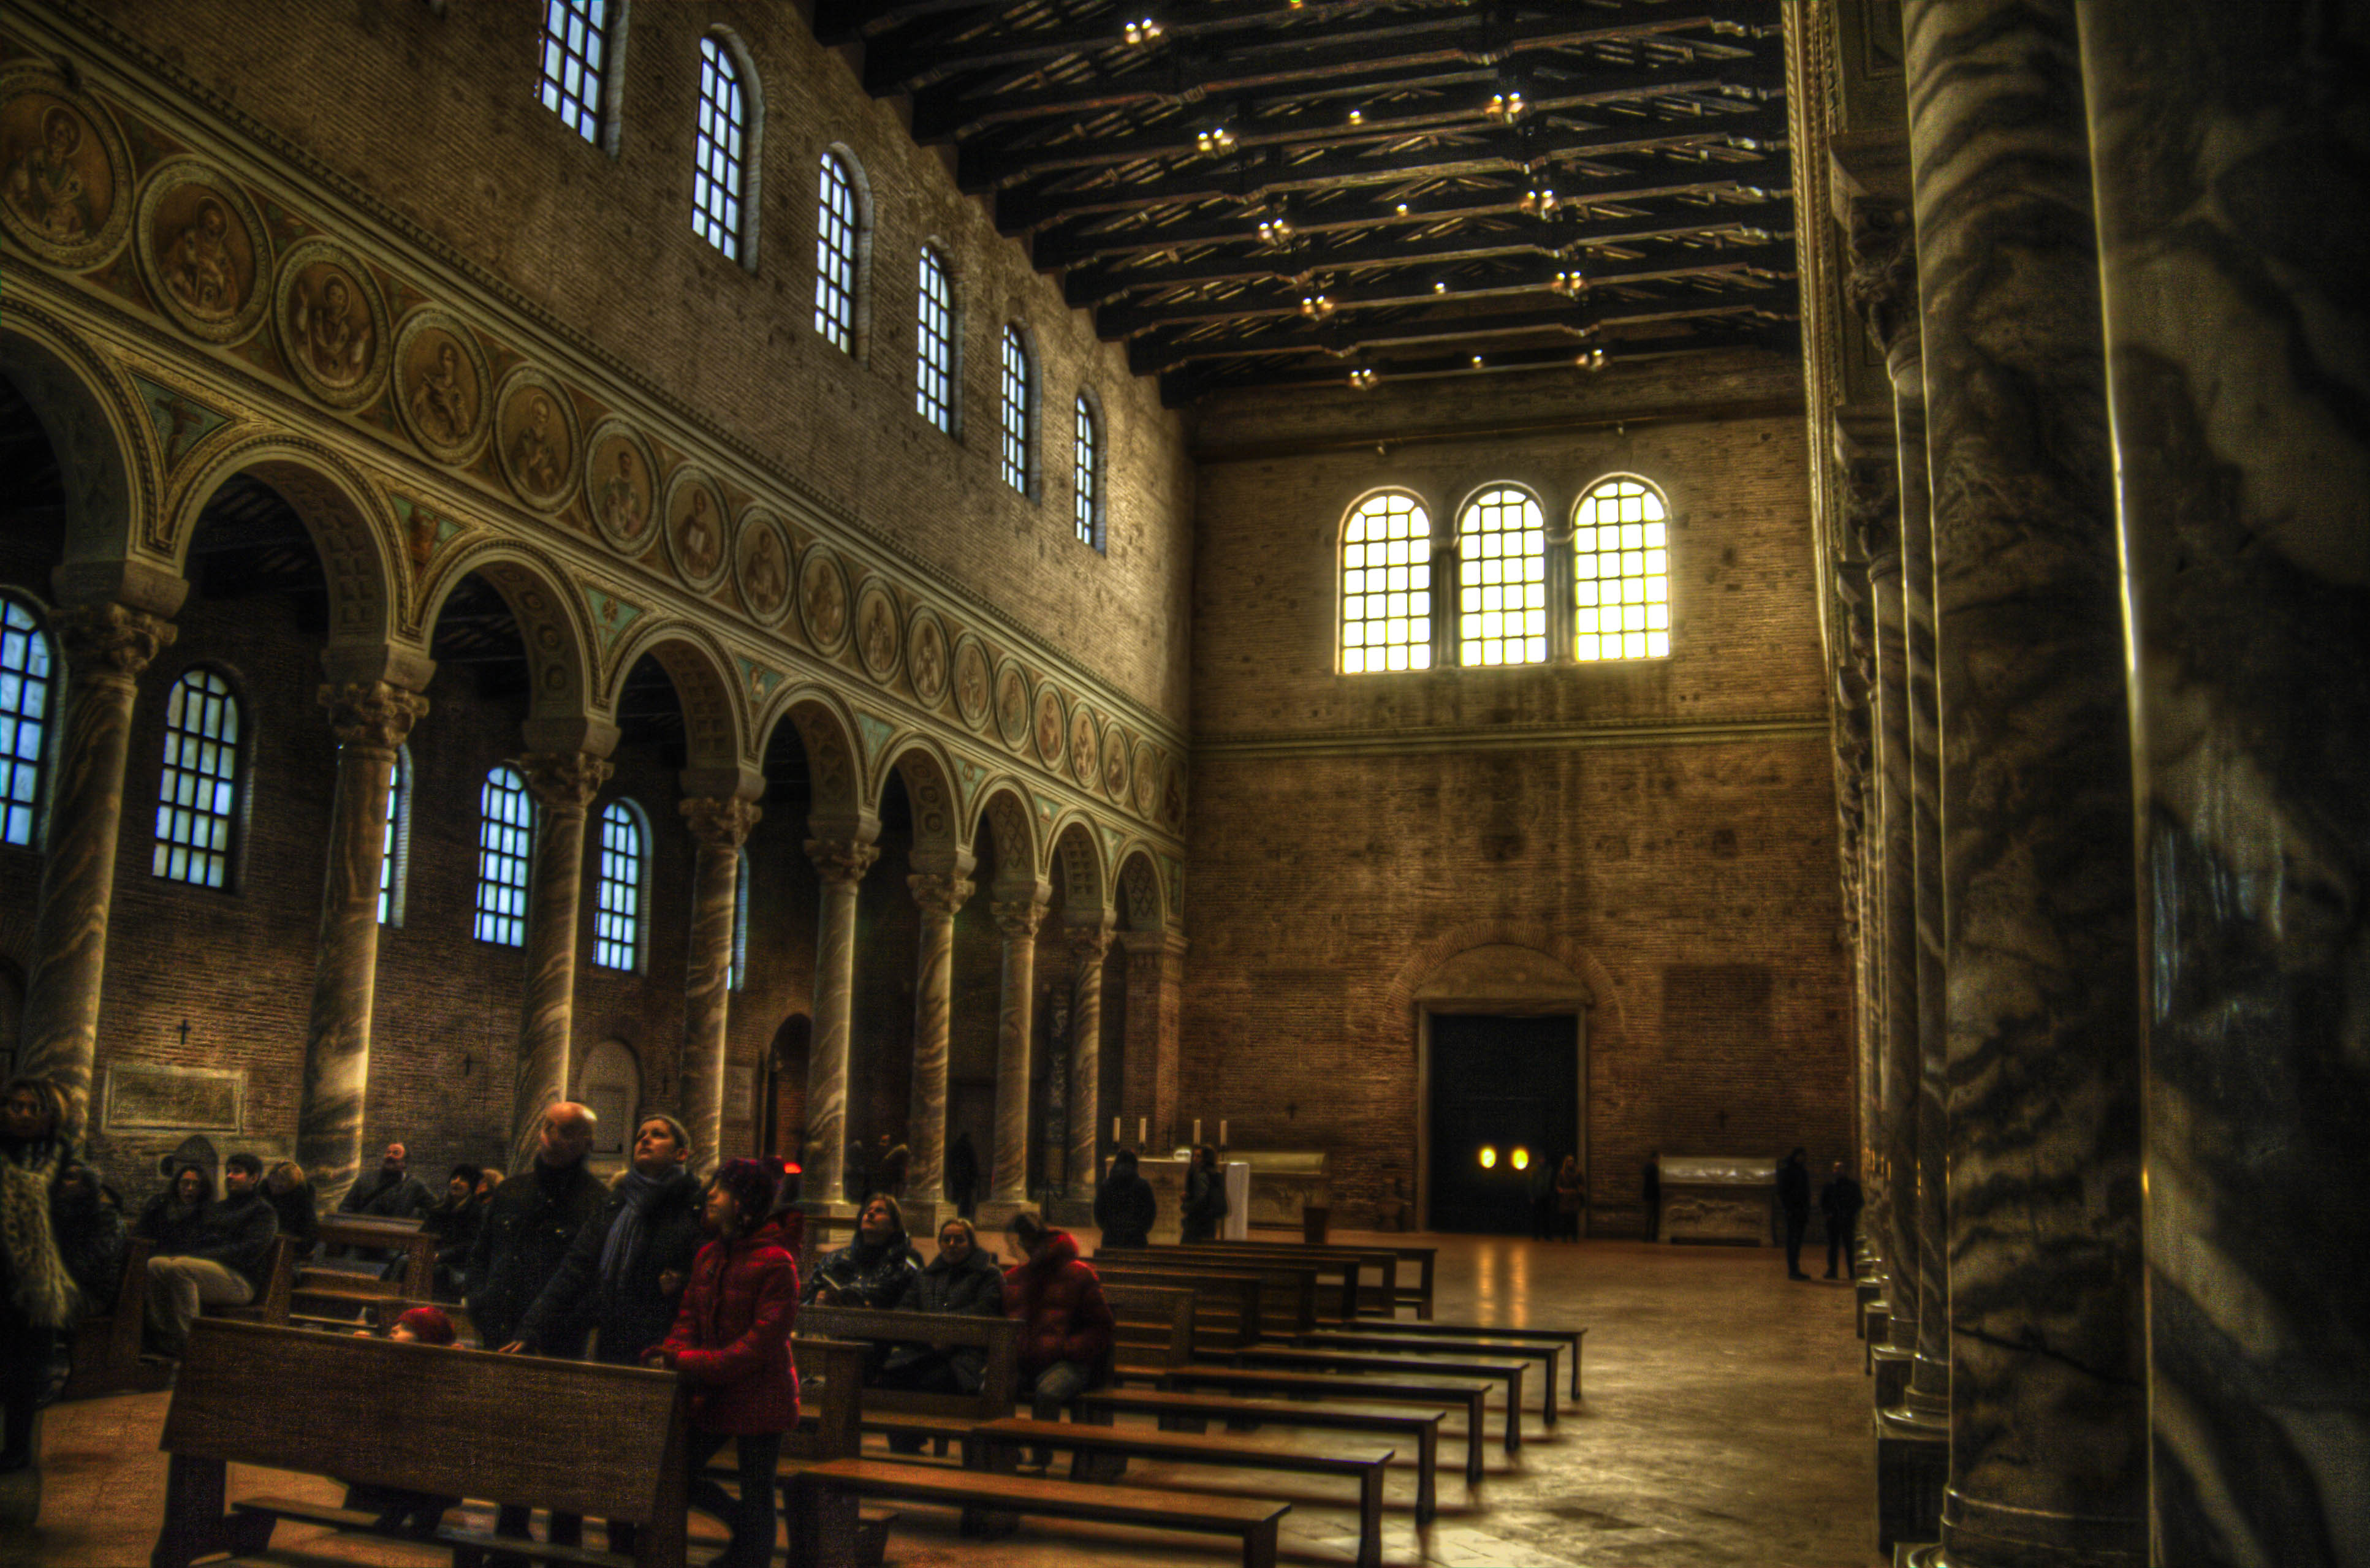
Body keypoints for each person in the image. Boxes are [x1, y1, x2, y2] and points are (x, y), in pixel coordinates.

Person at [466, 1102, 605, 1556]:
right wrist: (480, 1301)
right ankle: (511, 1533)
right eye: (548, 1126)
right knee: (511, 1438)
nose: (552, 1137)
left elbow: (592, 1278)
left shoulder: (597, 1200)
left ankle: (565, 1538)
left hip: (560, 1341)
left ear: (586, 1142)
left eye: (567, 1131)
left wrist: (556, 1328)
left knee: (561, 1440)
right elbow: (483, 1253)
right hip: (503, 1330)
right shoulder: (513, 1191)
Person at [648, 1159, 799, 1568]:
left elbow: (759, 1343)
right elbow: (689, 1317)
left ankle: (750, 1558)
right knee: (679, 1471)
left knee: (757, 1486)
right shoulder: (709, 1254)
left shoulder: (775, 1261)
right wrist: (672, 1350)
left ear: (745, 1201)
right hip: (713, 1387)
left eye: (721, 1188)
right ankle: (742, 1526)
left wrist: (690, 1360)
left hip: (759, 1391)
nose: (710, 1194)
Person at [511, 1115, 705, 1366]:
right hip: (610, 1337)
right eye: (640, 1136)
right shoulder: (616, 1204)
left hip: (661, 1344)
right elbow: (575, 1268)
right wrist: (533, 1327)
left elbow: (704, 1276)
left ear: (681, 1155)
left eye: (658, 1135)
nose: (645, 1139)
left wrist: (680, 1281)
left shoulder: (693, 1206)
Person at [1, 1078, 75, 1477]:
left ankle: (16, 1449)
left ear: (48, 1113)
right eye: (16, 1105)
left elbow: (73, 1218)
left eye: (34, 1107)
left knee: (23, 1372)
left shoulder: (62, 1156)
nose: (25, 1114)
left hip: (36, 1281)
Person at [1000, 1210, 1114, 1469]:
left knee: (1048, 1391)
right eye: (1022, 1243)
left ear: (1044, 1241)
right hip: (1027, 1357)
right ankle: (1006, 1452)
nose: (1027, 1249)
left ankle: (1041, 1457)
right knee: (991, 1381)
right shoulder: (1016, 1278)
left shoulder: (1079, 1275)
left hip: (1068, 1361)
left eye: (1032, 1242)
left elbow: (1101, 1326)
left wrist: (1066, 1348)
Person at [341, 1306, 461, 1535]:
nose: (394, 1328)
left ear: (427, 1339)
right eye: (397, 1324)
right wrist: (360, 1354)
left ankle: (407, 1511)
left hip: (422, 1469)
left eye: (406, 1328)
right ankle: (403, 1511)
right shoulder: (386, 1362)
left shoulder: (441, 1377)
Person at [144, 1151, 279, 1354]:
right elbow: (197, 1239)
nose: (230, 1176)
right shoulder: (218, 1208)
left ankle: (189, 1345)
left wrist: (199, 1256)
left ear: (254, 1178)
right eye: (229, 1171)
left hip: (241, 1281)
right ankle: (163, 1337)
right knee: (156, 1264)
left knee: (181, 1268)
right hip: (209, 1271)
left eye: (237, 1172)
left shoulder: (263, 1211)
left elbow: (249, 1250)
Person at [878, 1218, 1005, 1401]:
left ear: (971, 1244)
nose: (951, 1245)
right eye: (946, 1240)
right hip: (923, 1349)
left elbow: (984, 1311)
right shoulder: (926, 1275)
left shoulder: (987, 1275)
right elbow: (905, 1310)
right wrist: (930, 1335)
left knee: (933, 1383)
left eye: (959, 1240)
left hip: (964, 1355)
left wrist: (947, 1333)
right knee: (890, 1379)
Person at [803, 1194, 918, 1309]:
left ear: (894, 1226)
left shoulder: (901, 1268)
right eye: (868, 1210)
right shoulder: (834, 1260)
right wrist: (817, 1299)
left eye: (880, 1211)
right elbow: (807, 1301)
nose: (870, 1214)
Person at [51, 1161, 128, 1310]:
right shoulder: (62, 1213)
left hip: (90, 1295)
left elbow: (89, 1266)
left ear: (87, 1187)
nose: (60, 1182)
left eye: (69, 1177)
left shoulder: (107, 1218)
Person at [420, 1164, 484, 1298]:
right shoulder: (439, 1209)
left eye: (463, 1180)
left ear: (472, 1186)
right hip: (432, 1257)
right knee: (404, 1261)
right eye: (454, 1178)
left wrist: (441, 1255)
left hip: (458, 1264)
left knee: (437, 1272)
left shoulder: (476, 1212)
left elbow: (472, 1244)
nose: (456, 1182)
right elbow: (424, 1234)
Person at [135, 1163, 213, 1258]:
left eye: (196, 1184)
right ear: (177, 1184)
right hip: (158, 1257)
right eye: (185, 1183)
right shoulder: (159, 1204)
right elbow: (141, 1233)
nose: (190, 1188)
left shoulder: (208, 1211)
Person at [341, 1143, 433, 1221]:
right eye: (388, 1152)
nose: (390, 1156)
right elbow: (345, 1208)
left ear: (404, 1162)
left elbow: (435, 1209)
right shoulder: (365, 1179)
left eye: (396, 1153)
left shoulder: (414, 1186)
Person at [1093, 1148, 1157, 1248]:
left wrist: (1108, 1229)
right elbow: (1150, 1212)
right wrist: (1141, 1230)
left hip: (1111, 1238)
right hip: (1136, 1239)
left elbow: (1098, 1212)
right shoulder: (1143, 1186)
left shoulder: (1106, 1185)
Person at [262, 1161, 319, 1259]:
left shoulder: (302, 1199)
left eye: (280, 1186)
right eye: (272, 1184)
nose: (274, 1189)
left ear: (292, 1183)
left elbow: (310, 1232)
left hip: (290, 1247)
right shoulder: (264, 1193)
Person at [1818, 1161, 1864, 1280]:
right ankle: (1832, 1271)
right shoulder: (1830, 1186)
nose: (1838, 1171)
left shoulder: (1852, 1186)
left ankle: (1851, 1272)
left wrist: (1850, 1212)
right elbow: (1823, 1202)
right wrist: (1828, 1213)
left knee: (1849, 1247)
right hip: (1833, 1220)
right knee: (1833, 1247)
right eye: (1836, 1169)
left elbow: (1859, 1202)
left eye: (1840, 1169)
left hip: (1847, 1220)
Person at [1777, 1148, 1812, 1281]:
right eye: (1800, 1156)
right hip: (1793, 1211)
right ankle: (1793, 1270)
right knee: (1793, 1241)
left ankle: (1795, 1269)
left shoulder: (1802, 1172)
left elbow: (1806, 1192)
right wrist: (1789, 1208)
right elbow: (1783, 1192)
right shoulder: (1788, 1171)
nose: (1802, 1159)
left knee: (1797, 1242)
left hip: (1801, 1212)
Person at [1182, 1145, 1228, 1243]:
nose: (1194, 1159)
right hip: (1210, 1223)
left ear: (1206, 1159)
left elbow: (1200, 1199)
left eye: (1198, 1156)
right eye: (1193, 1156)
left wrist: (1186, 1205)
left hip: (1197, 1223)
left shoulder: (1201, 1175)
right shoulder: (1216, 1174)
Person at [945, 1131, 979, 1219]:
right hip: (967, 1178)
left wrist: (952, 1174)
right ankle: (964, 1216)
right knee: (966, 1199)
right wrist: (975, 1177)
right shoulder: (968, 1147)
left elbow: (950, 1162)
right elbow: (973, 1163)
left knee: (956, 1197)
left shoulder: (955, 1147)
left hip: (957, 1177)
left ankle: (954, 1215)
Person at [1553, 1155, 1587, 1242]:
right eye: (1569, 1162)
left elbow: (1582, 1183)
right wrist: (1560, 1190)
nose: (1570, 1164)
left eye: (1571, 1162)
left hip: (1574, 1197)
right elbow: (1558, 1184)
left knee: (1573, 1219)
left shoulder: (1578, 1172)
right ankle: (1564, 1236)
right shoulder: (1562, 1173)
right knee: (1565, 1219)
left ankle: (1574, 1236)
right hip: (1565, 1198)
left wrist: (1579, 1189)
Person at [1528, 1150, 1557, 1241]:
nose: (1542, 1160)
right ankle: (1536, 1235)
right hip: (1537, 1195)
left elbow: (1552, 1183)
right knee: (1536, 1217)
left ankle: (1547, 1235)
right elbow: (1531, 1183)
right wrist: (1532, 1195)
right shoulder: (1535, 1169)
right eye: (1541, 1159)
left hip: (1546, 1195)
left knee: (1546, 1217)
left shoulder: (1549, 1169)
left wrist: (1552, 1196)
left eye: (1543, 1159)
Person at [874, 1134, 909, 1200]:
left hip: (892, 1172)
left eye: (886, 1141)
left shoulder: (898, 1150)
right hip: (888, 1172)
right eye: (884, 1141)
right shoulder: (896, 1150)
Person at [1643, 1151, 1663, 1243]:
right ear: (1655, 1158)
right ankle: (1653, 1237)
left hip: (1648, 1195)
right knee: (1654, 1217)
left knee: (1649, 1216)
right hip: (1654, 1195)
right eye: (1658, 1159)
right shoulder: (1654, 1168)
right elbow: (1655, 1182)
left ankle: (1647, 1237)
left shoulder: (1647, 1167)